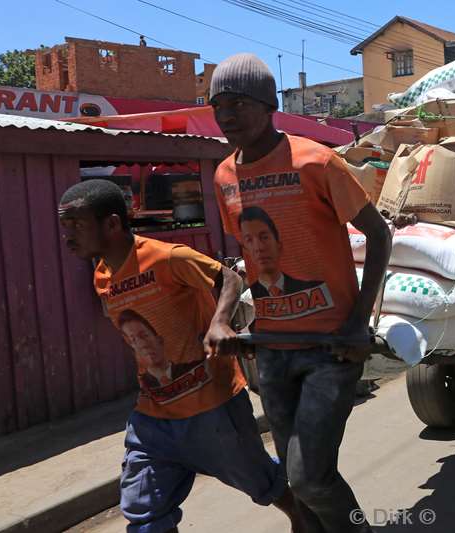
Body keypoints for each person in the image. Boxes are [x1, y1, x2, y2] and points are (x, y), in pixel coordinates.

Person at [209, 53, 392, 533]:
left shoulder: (316, 161)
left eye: (238, 103)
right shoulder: (224, 176)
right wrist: (221, 319)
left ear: (269, 104)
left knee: (310, 478)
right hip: (272, 350)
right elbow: (241, 259)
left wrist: (358, 321)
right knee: (297, 483)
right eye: (218, 105)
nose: (226, 115)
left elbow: (379, 234)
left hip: (331, 347)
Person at [58, 179, 305, 533]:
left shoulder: (166, 256)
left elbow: (230, 279)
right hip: (152, 415)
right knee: (143, 510)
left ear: (112, 224)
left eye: (77, 224)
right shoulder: (102, 276)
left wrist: (219, 323)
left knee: (259, 480)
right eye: (65, 226)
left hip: (211, 404)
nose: (69, 235)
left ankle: (301, 511)